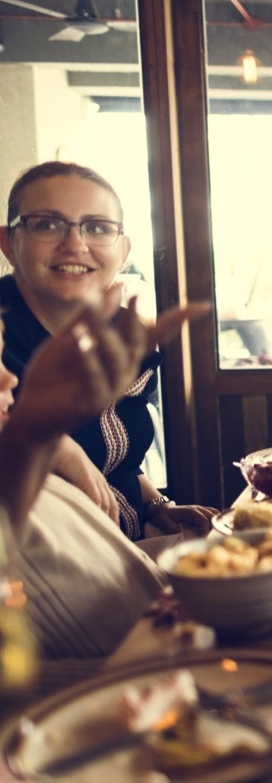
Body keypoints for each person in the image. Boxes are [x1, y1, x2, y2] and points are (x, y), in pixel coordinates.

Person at [0, 284, 208, 690]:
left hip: (167, 630)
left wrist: (36, 434)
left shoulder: (22, 458)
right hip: (139, 686)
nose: (9, 377)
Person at [0, 161, 217, 542]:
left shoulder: (127, 333)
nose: (75, 244)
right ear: (8, 244)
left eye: (98, 228)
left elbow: (117, 455)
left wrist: (156, 505)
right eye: (48, 224)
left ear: (123, 251)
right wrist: (56, 446)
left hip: (128, 550)